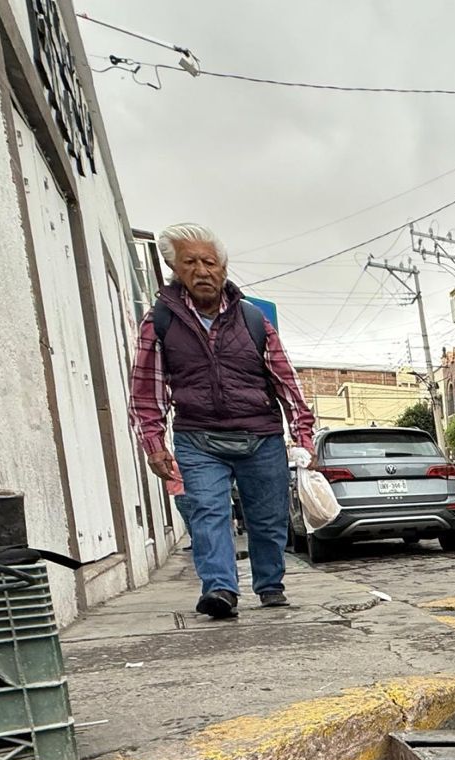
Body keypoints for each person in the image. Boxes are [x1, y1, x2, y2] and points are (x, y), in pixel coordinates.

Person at [129, 223, 316, 619]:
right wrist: (153, 443)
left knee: (268, 518)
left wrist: (302, 435)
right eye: (190, 263)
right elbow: (146, 387)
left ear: (223, 268)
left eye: (209, 263)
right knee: (207, 512)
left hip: (261, 435)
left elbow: (286, 380)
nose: (202, 271)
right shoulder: (160, 321)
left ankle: (270, 584)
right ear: (175, 269)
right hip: (198, 438)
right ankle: (219, 588)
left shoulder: (253, 319)